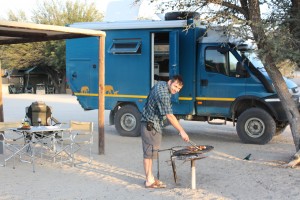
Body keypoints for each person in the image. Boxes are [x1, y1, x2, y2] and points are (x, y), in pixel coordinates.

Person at [141, 75, 190, 188]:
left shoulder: (161, 85)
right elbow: (170, 116)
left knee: (152, 153)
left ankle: (151, 178)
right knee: (149, 153)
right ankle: (149, 181)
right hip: (150, 125)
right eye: (175, 86)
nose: (176, 90)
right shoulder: (163, 93)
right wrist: (181, 131)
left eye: (178, 89)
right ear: (170, 82)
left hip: (153, 123)